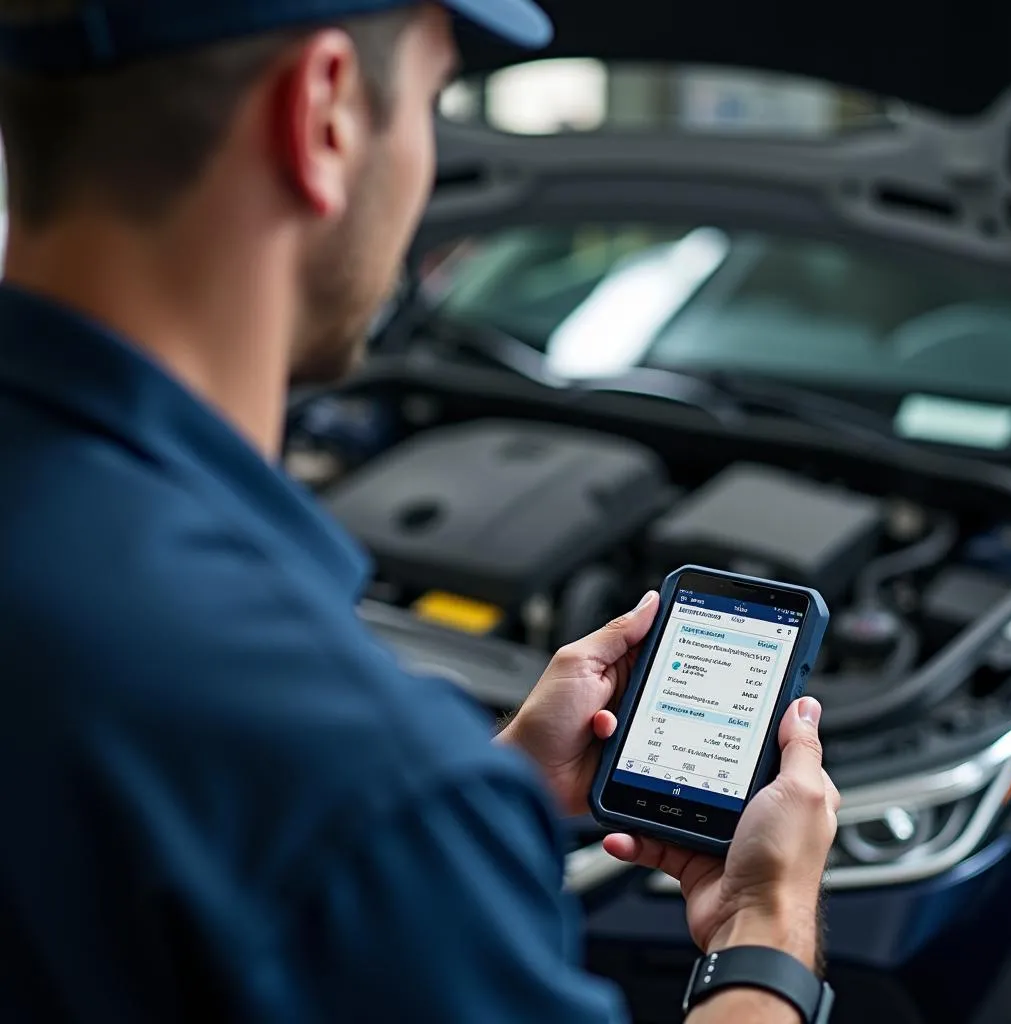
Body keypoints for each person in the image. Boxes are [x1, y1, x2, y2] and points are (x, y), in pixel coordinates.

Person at [0, 2, 840, 1022]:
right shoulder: (352, 779)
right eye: (435, 104)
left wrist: (484, 799)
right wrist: (766, 934)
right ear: (325, 115)